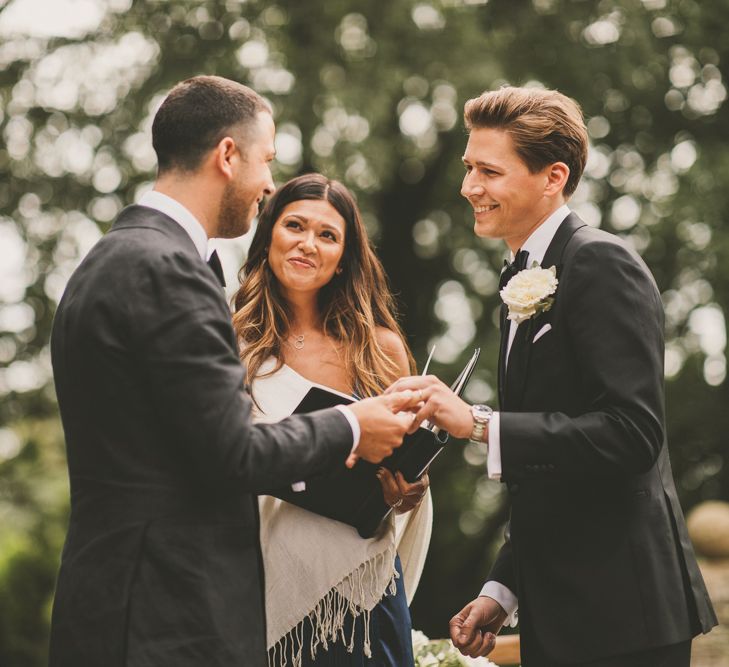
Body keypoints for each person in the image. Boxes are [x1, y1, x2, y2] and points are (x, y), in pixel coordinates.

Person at [48, 76, 421, 667]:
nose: (268, 183)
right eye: (266, 161)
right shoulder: (169, 269)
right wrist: (354, 426)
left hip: (122, 599)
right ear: (227, 155)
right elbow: (231, 453)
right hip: (161, 611)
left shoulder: (115, 256)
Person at [386, 86, 717, 666]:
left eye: (489, 171)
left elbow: (632, 434)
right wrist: (502, 590)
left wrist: (479, 425)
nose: (468, 187)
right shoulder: (521, 276)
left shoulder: (599, 263)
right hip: (561, 612)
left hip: (624, 617)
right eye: (468, 168)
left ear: (553, 177)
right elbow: (554, 474)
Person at [233, 173, 432, 666]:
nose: (307, 244)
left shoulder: (379, 348)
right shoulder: (227, 339)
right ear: (269, 236)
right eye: (294, 226)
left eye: (327, 235)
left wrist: (408, 490)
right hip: (251, 575)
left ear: (344, 257)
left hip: (357, 587)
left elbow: (401, 471)